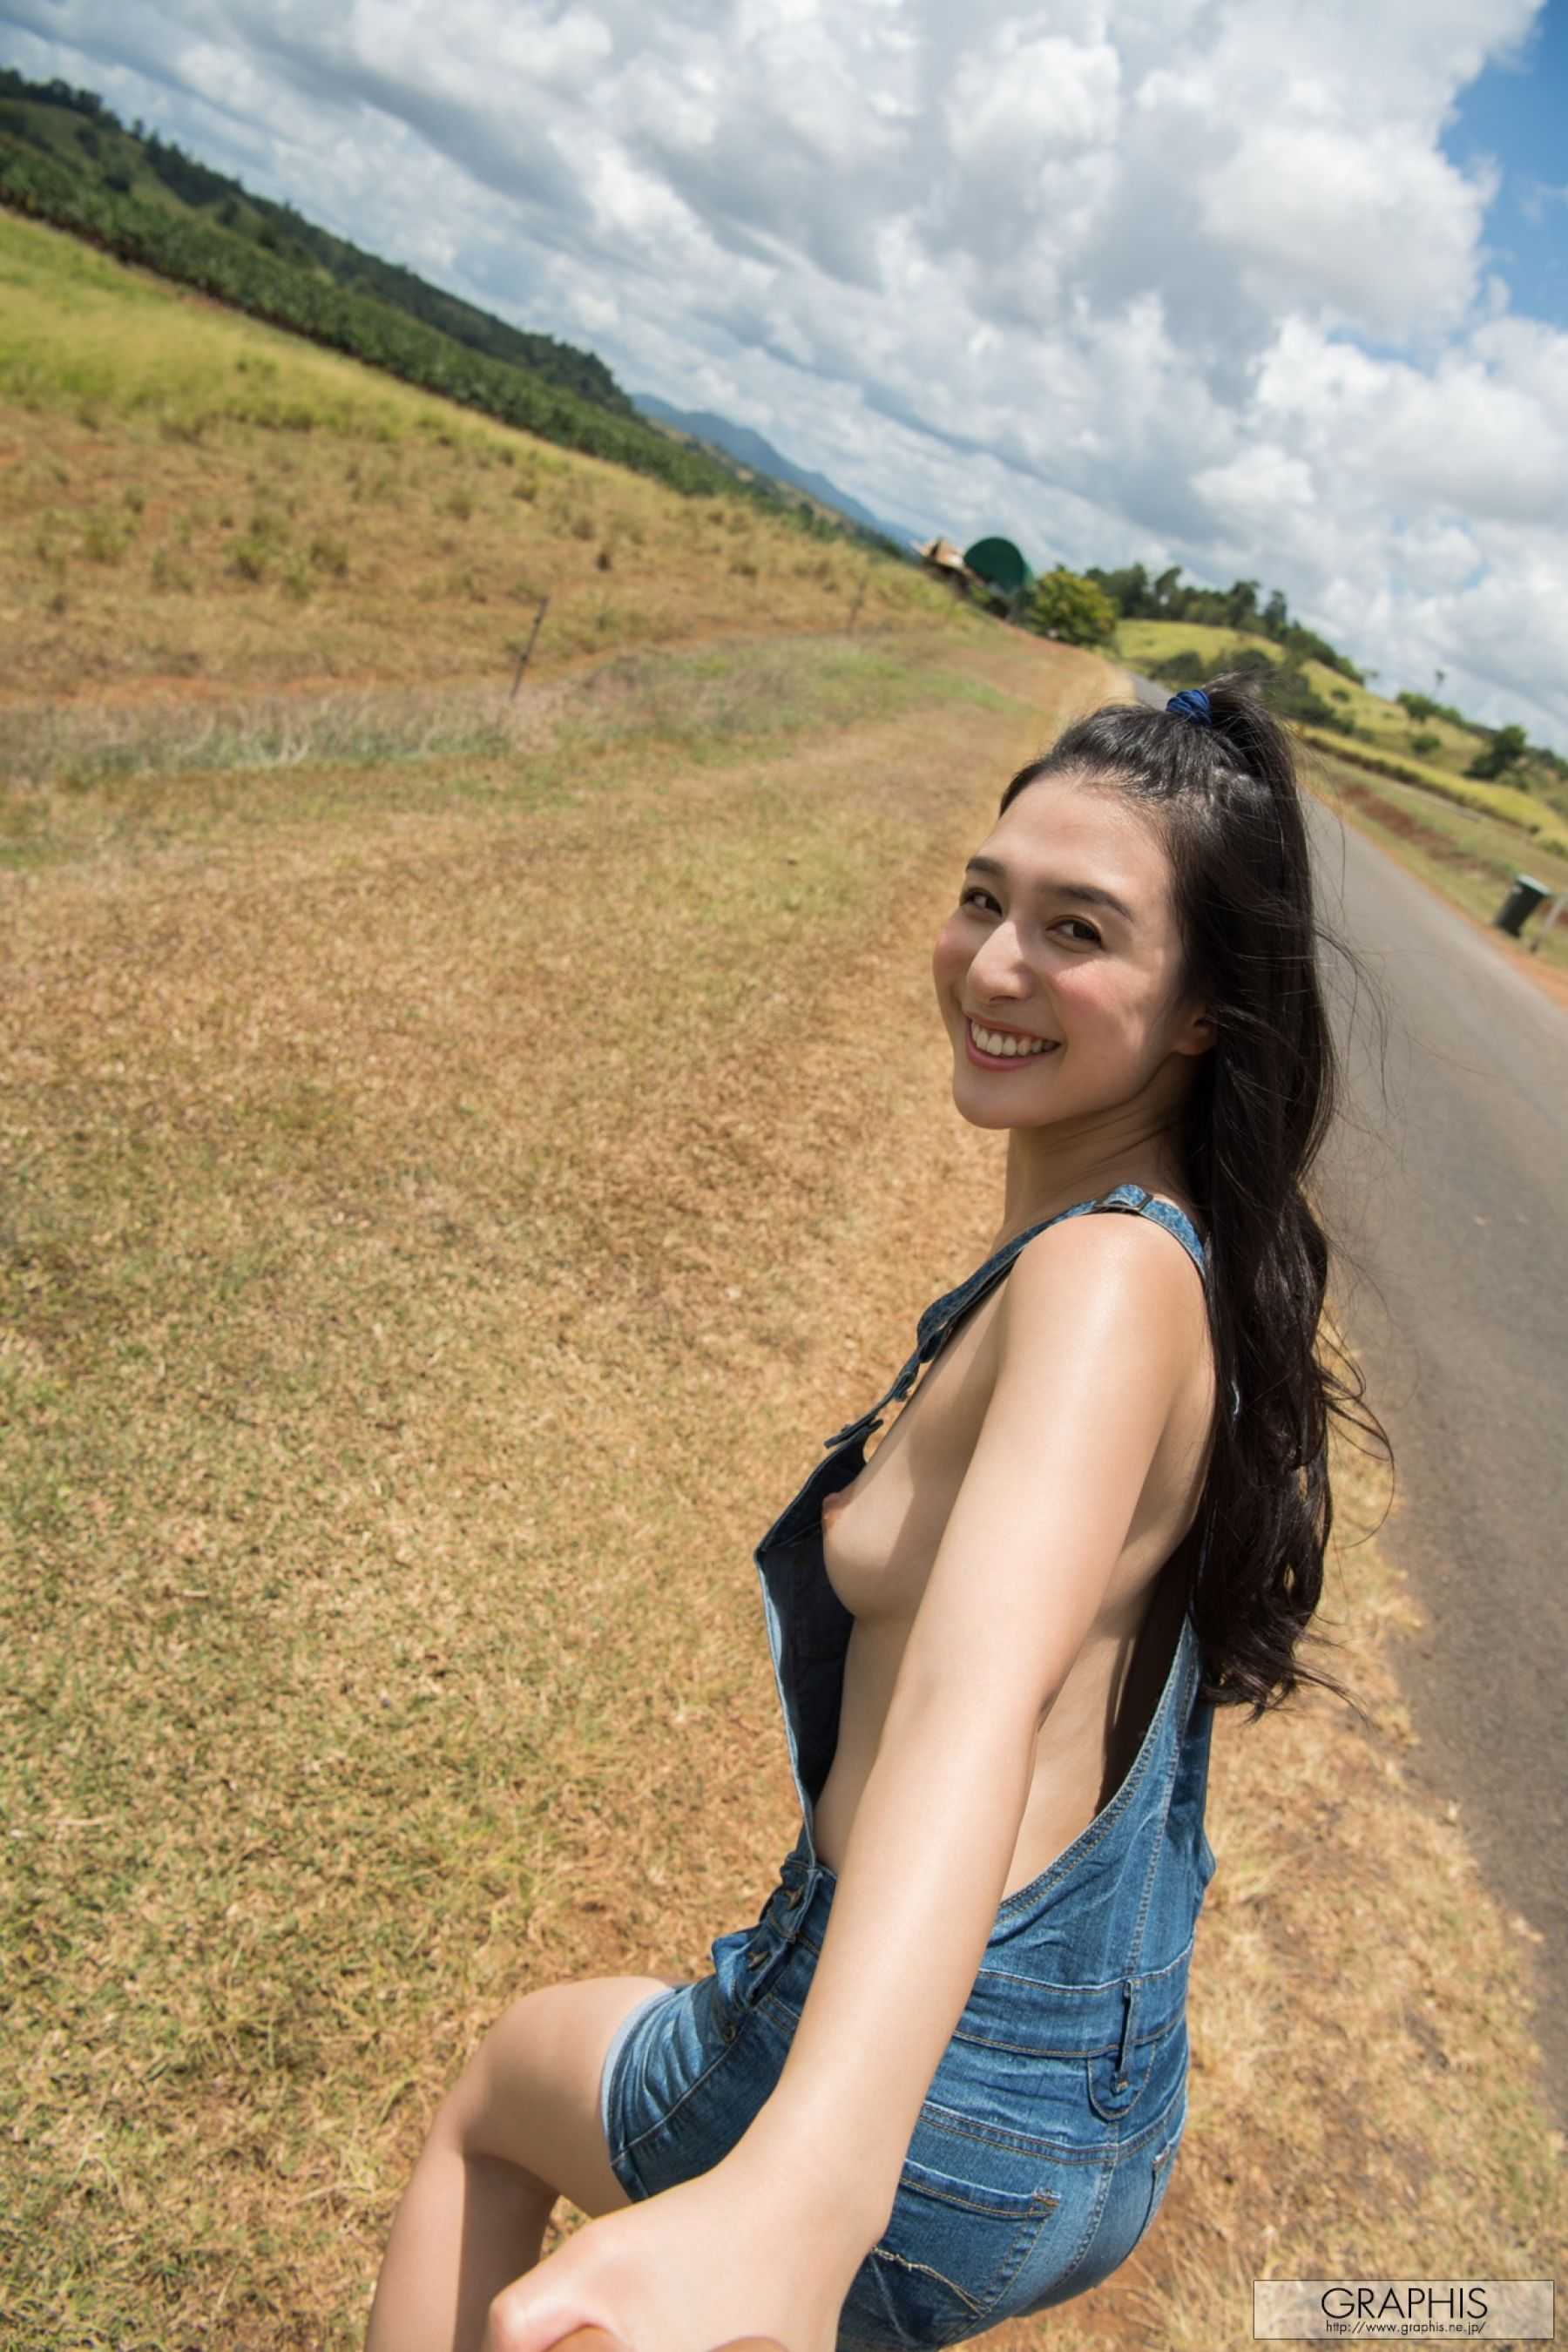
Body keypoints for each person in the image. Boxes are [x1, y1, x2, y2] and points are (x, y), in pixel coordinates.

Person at [365, 673, 1388, 2352]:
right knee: (535, 2068)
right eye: (985, 898)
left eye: (1077, 930)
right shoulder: (1165, 1257)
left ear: (1206, 1007)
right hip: (1067, 2103)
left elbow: (977, 1705)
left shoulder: (1107, 1283)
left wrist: (806, 2191)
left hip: (920, 2104)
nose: (994, 966)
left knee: (496, 2104)